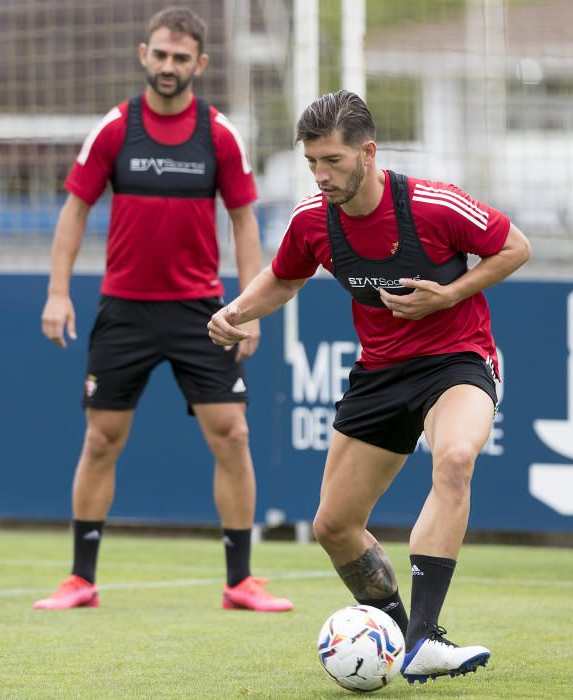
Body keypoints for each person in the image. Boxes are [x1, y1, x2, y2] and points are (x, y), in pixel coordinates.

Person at [208, 90, 530, 682]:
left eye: (331, 160)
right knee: (333, 525)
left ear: (368, 152)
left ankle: (423, 639)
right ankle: (402, 637)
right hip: (380, 373)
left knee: (455, 459)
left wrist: (451, 293)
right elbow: (284, 278)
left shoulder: (434, 205)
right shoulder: (312, 220)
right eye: (311, 162)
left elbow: (515, 247)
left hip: (457, 359)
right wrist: (236, 311)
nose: (320, 175)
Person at [34, 5, 292, 614]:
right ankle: (81, 579)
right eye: (161, 54)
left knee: (232, 434)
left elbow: (244, 221)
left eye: (182, 58)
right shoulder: (116, 128)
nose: (169, 66)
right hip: (123, 310)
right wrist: (56, 291)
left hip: (200, 313)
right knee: (102, 439)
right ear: (143, 55)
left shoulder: (220, 134)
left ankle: (240, 581)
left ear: (199, 64)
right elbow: (74, 210)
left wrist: (247, 308)